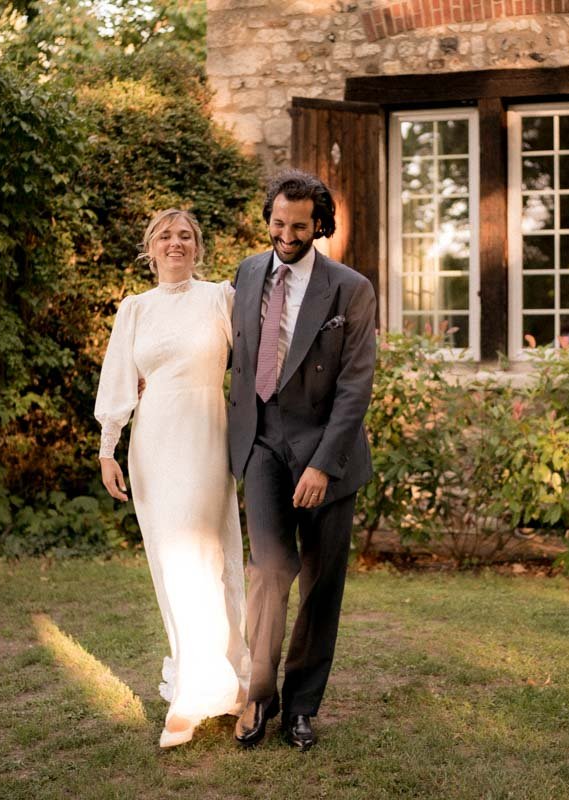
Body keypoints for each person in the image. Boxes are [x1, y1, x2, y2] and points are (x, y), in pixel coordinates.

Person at [228, 170, 377, 750]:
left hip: (325, 453)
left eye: (298, 225)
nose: (285, 235)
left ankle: (302, 706)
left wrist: (322, 465)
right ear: (268, 219)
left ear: (320, 225)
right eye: (277, 223)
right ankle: (258, 695)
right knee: (268, 570)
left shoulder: (350, 289)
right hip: (263, 445)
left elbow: (355, 385)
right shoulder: (244, 274)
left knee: (320, 584)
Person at [94, 209, 249, 749]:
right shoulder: (134, 309)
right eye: (166, 235)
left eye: (185, 235)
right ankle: (202, 684)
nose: (176, 242)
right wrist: (107, 449)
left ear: (197, 248)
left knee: (202, 556)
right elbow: (119, 380)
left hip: (206, 434)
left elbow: (254, 363)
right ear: (151, 248)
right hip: (153, 441)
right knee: (170, 561)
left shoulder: (220, 298)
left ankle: (211, 686)